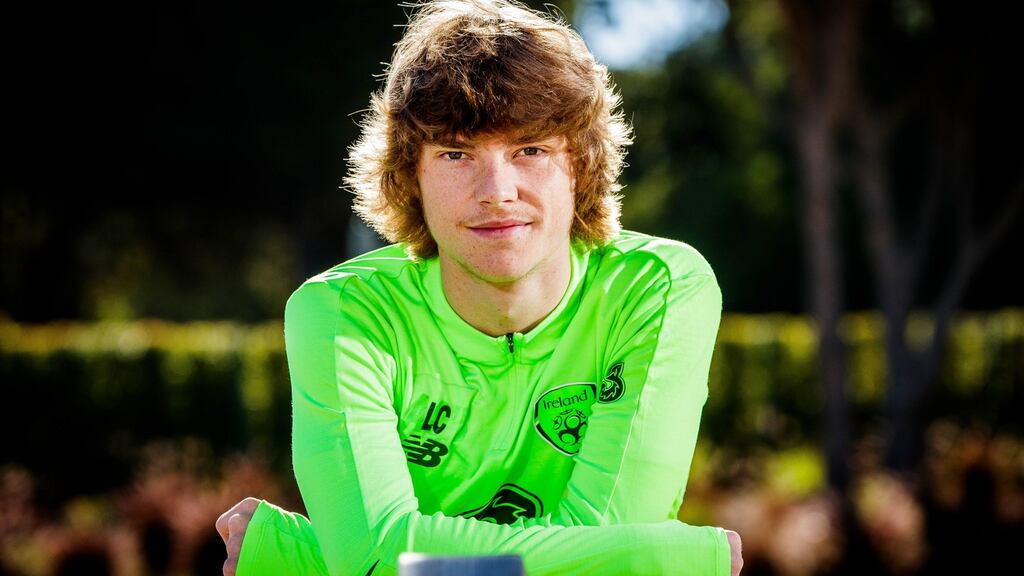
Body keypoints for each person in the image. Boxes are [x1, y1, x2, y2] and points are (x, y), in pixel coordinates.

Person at [216, 0, 743, 574]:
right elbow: (610, 561)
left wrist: (302, 558)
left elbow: (376, 558)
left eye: (531, 150)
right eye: (457, 153)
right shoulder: (342, 315)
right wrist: (676, 560)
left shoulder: (658, 288)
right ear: (410, 176)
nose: (497, 189)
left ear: (582, 167)